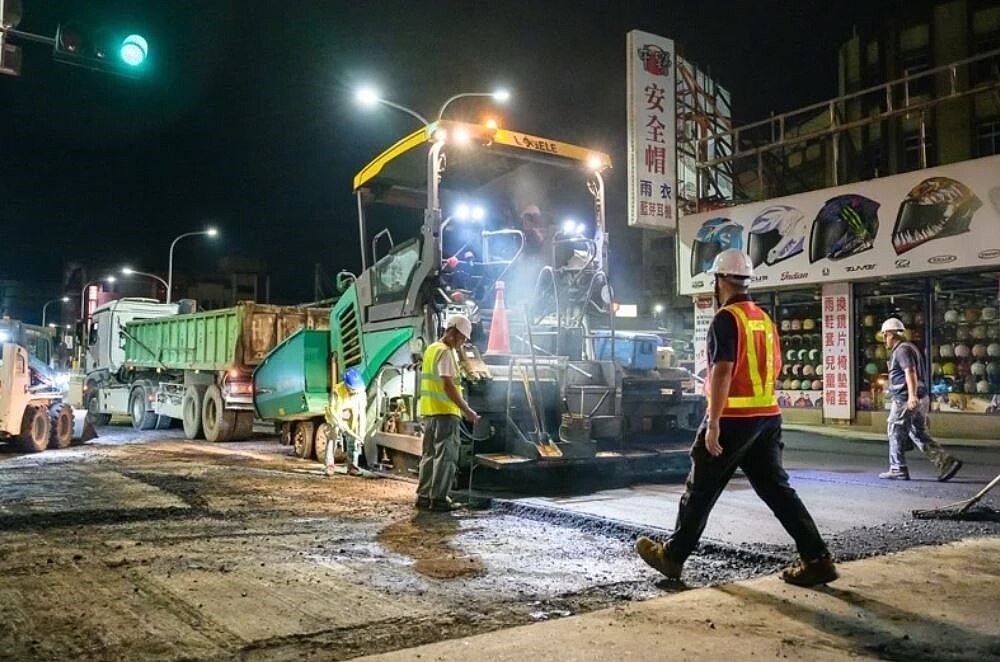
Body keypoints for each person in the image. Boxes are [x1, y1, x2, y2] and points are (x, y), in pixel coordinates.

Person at [636, 249, 838, 587]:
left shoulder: (726, 318)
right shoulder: (763, 318)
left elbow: (723, 371)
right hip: (767, 417)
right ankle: (817, 558)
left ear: (718, 280)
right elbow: (774, 367)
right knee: (778, 491)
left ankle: (672, 556)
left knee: (700, 488)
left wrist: (713, 423)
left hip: (733, 418)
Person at [878, 317, 962, 481]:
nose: (884, 340)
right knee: (918, 433)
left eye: (884, 335)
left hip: (905, 399)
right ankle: (945, 462)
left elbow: (910, 372)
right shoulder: (910, 347)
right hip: (920, 397)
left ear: (890, 334)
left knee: (894, 431)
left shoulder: (901, 350)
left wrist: (911, 396)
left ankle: (897, 468)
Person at [415, 314, 480, 512]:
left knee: (429, 455)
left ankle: (424, 497)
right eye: (462, 338)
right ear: (452, 332)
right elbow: (448, 385)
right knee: (446, 457)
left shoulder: (431, 349)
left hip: (429, 412)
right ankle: (440, 500)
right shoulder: (445, 352)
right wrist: (468, 411)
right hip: (445, 413)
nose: (463, 342)